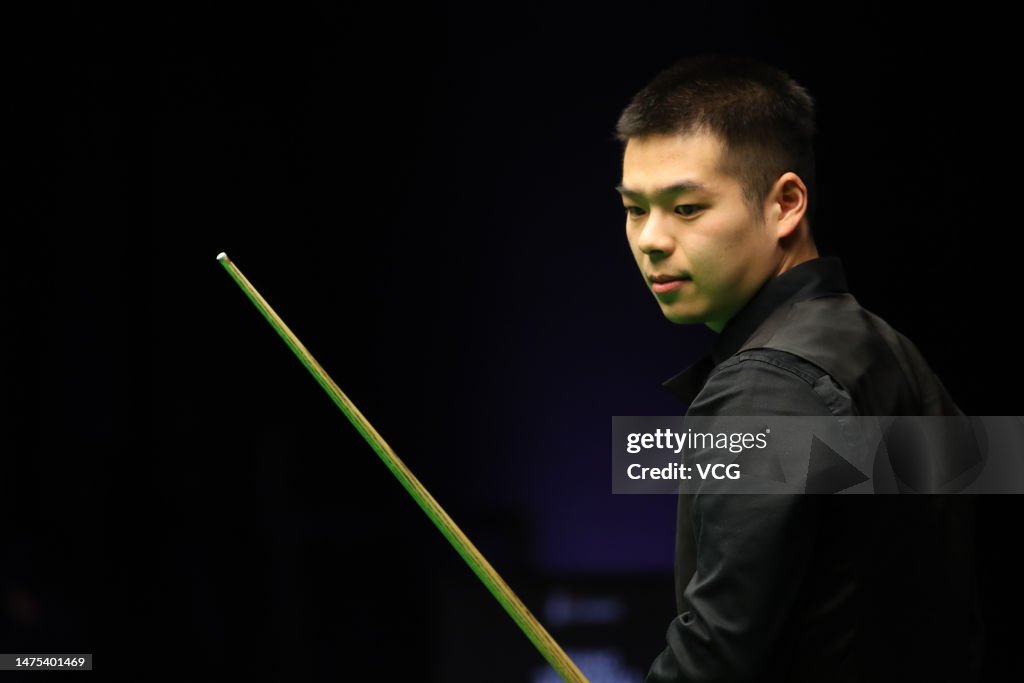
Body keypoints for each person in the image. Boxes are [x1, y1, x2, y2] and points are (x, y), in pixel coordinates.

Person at [615, 53, 986, 681]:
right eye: (633, 208)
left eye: (685, 208)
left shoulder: (765, 387)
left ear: (785, 203)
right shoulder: (888, 350)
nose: (651, 238)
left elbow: (715, 660)